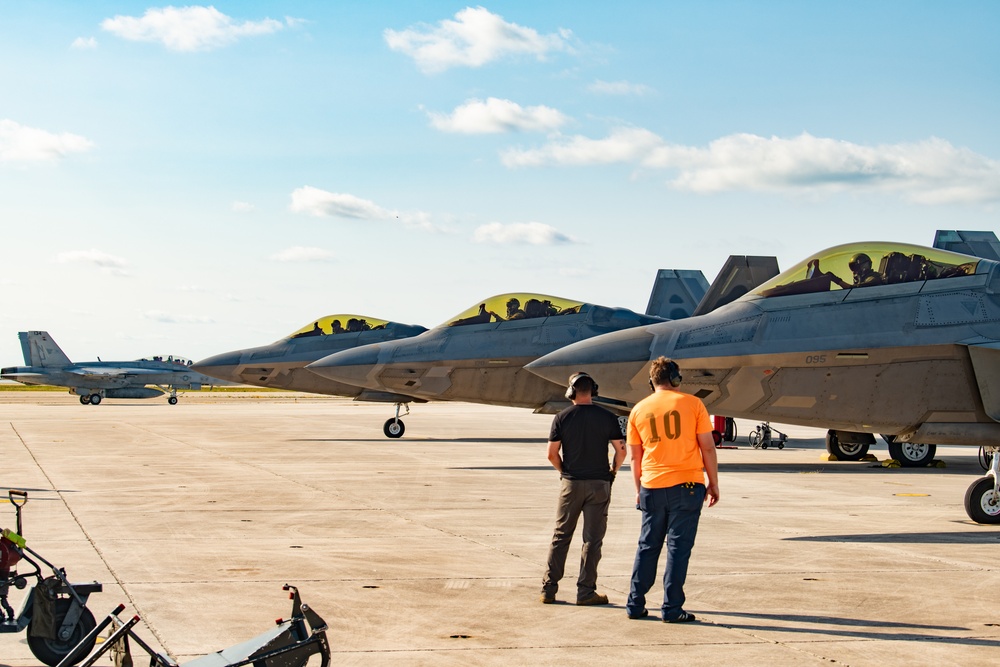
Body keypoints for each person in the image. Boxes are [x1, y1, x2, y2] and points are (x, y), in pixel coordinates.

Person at [625, 357, 719, 623]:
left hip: (652, 486)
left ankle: (635, 603)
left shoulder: (639, 410)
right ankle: (672, 608)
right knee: (678, 549)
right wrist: (713, 483)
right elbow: (708, 448)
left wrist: (638, 489)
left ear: (651, 382)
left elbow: (635, 457)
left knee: (647, 546)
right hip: (687, 486)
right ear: (676, 379)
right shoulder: (693, 404)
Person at [541, 372, 627, 606]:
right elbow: (621, 451)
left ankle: (549, 589)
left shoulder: (561, 417)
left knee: (561, 536)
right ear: (594, 391)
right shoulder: (607, 417)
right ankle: (586, 591)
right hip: (599, 485)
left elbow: (551, 454)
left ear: (570, 392)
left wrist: (564, 472)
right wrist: (613, 472)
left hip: (571, 484)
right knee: (592, 540)